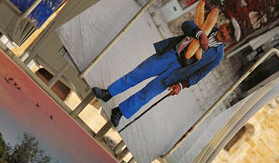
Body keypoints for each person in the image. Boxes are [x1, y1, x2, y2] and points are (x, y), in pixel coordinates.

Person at [91, 21, 225, 129]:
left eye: (230, 35)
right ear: (224, 25)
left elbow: (199, 74)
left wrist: (181, 85)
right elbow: (186, 25)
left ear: (229, 40)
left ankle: (120, 111)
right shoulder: (207, 25)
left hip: (177, 73)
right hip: (170, 54)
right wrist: (200, 34)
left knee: (148, 93)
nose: (226, 33)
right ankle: (108, 93)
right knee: (138, 73)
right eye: (227, 29)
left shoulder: (217, 56)